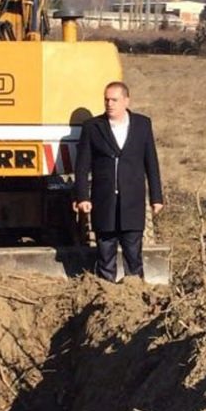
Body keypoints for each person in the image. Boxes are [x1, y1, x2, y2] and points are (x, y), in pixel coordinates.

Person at [74, 81, 164, 282]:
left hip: (132, 202)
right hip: (104, 202)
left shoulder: (142, 124)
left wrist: (156, 197)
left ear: (126, 100)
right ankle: (106, 295)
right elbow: (81, 166)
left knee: (133, 256)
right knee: (106, 256)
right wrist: (82, 196)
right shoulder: (93, 127)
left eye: (114, 99)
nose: (109, 104)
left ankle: (134, 295)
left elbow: (151, 162)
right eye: (106, 99)